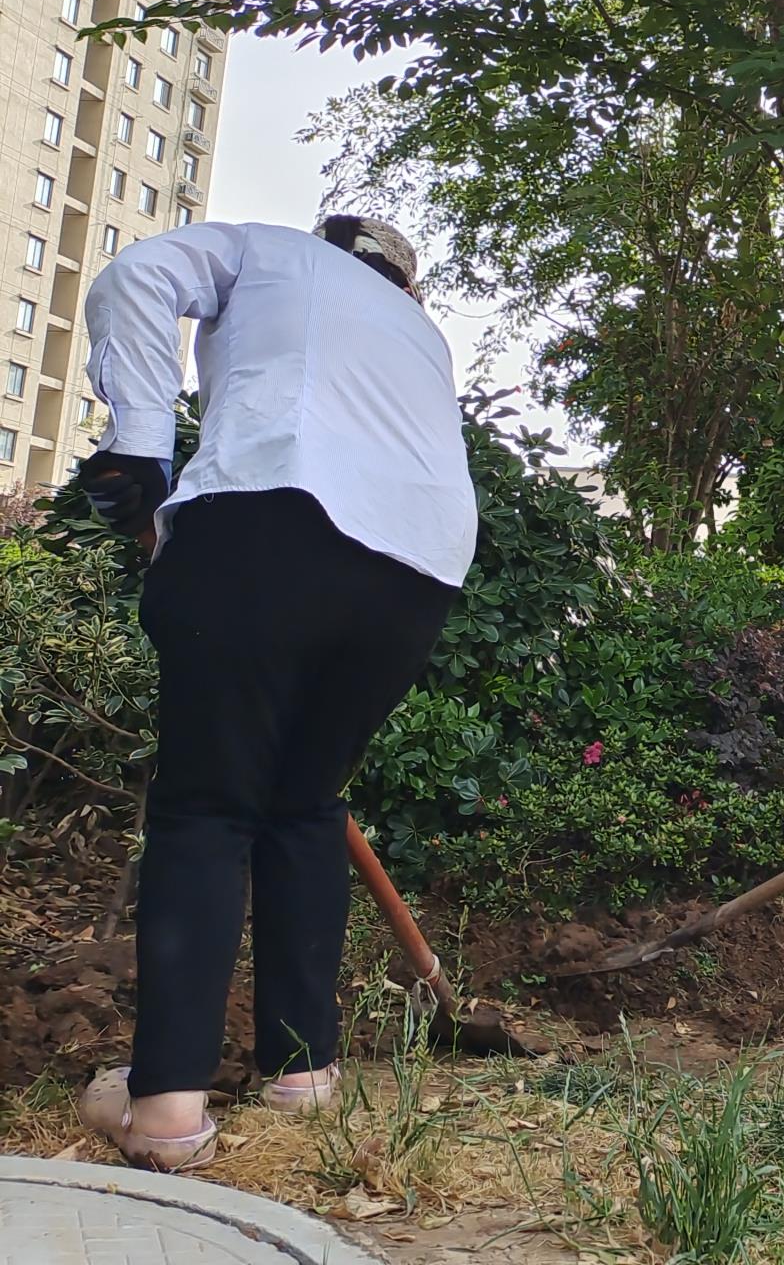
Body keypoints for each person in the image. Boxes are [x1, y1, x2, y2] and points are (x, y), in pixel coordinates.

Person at [73, 218, 475, 1172]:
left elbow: (132, 277)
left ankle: (166, 1110)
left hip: (269, 517)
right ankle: (302, 1073)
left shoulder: (266, 250)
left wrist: (137, 455)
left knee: (208, 808)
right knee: (302, 806)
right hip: (417, 575)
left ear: (327, 242)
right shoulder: (423, 334)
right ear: (403, 282)